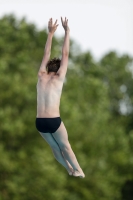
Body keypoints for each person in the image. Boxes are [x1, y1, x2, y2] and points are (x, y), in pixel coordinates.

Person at [35, 17, 85, 178]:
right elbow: (65, 53)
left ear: (48, 67)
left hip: (39, 122)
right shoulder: (59, 77)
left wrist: (50, 34)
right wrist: (67, 31)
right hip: (53, 120)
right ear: (58, 70)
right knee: (65, 146)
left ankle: (69, 169)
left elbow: (46, 53)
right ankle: (78, 170)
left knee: (55, 149)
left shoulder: (41, 76)